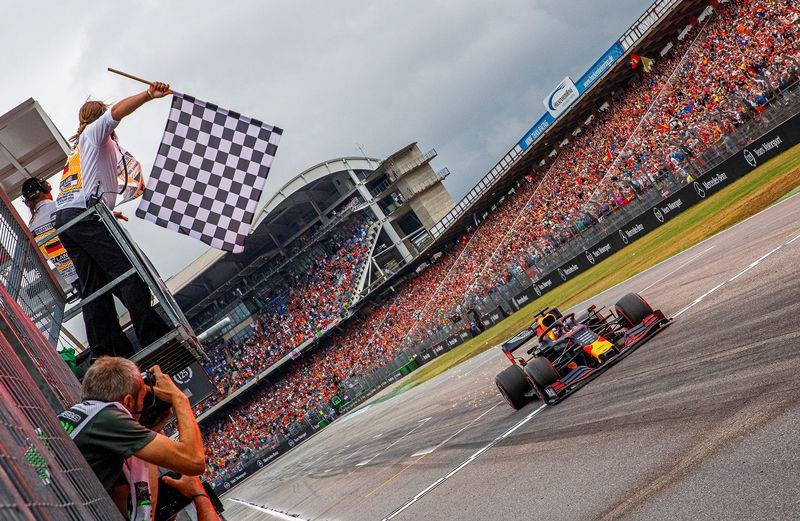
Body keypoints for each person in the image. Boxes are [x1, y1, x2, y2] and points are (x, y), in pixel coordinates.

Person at [53, 82, 172, 359]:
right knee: (129, 272)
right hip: (84, 215)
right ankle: (153, 336)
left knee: (93, 287)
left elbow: (88, 184)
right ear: (99, 117)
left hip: (69, 217)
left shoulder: (79, 151)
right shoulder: (96, 134)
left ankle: (105, 351)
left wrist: (107, 209)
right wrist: (148, 95)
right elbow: (118, 111)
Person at [57, 356, 219, 521]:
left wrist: (150, 429)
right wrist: (179, 399)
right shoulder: (108, 419)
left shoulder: (87, 417)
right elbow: (194, 461)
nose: (144, 405)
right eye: (143, 399)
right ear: (127, 401)